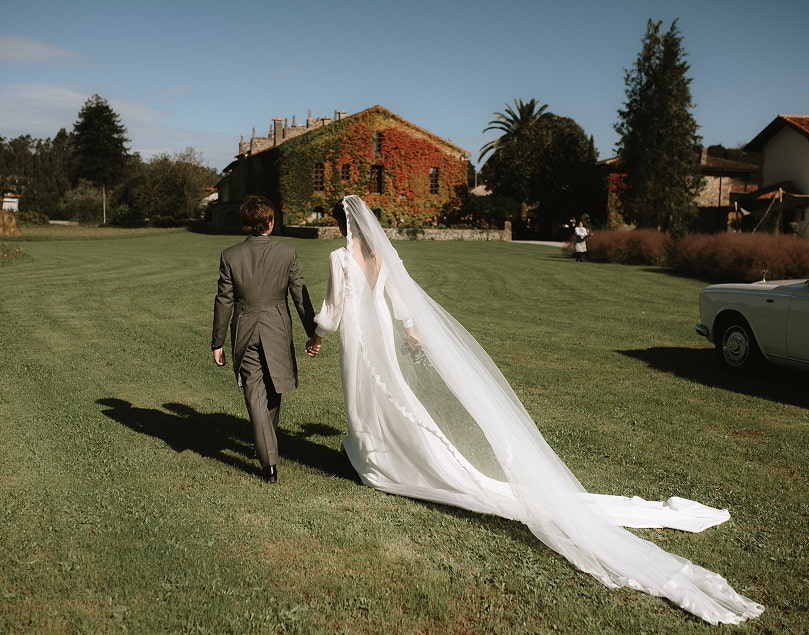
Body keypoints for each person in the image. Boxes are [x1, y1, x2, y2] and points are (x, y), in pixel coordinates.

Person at [309, 195, 763, 625]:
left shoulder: (339, 257)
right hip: (382, 335)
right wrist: (409, 327)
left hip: (358, 338)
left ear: (342, 222)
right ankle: (377, 450)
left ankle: (373, 456)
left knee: (367, 393)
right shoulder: (383, 256)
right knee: (390, 392)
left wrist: (315, 329)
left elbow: (332, 312)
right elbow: (402, 300)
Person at [211, 195, 320, 483]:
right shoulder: (287, 252)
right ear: (269, 222)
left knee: (257, 392)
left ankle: (267, 452)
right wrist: (313, 332)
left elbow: (224, 301)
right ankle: (269, 457)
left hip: (246, 327)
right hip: (277, 328)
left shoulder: (230, 255)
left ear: (246, 223)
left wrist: (217, 342)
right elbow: (300, 296)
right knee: (269, 392)